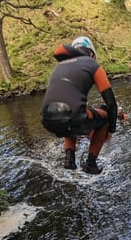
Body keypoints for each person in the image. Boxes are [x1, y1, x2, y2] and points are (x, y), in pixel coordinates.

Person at [41, 36, 117, 174]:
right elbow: (111, 103)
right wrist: (111, 129)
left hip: (46, 120)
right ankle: (91, 164)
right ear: (92, 54)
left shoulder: (60, 66)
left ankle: (69, 160)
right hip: (72, 116)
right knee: (104, 116)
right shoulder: (92, 65)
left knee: (70, 111)